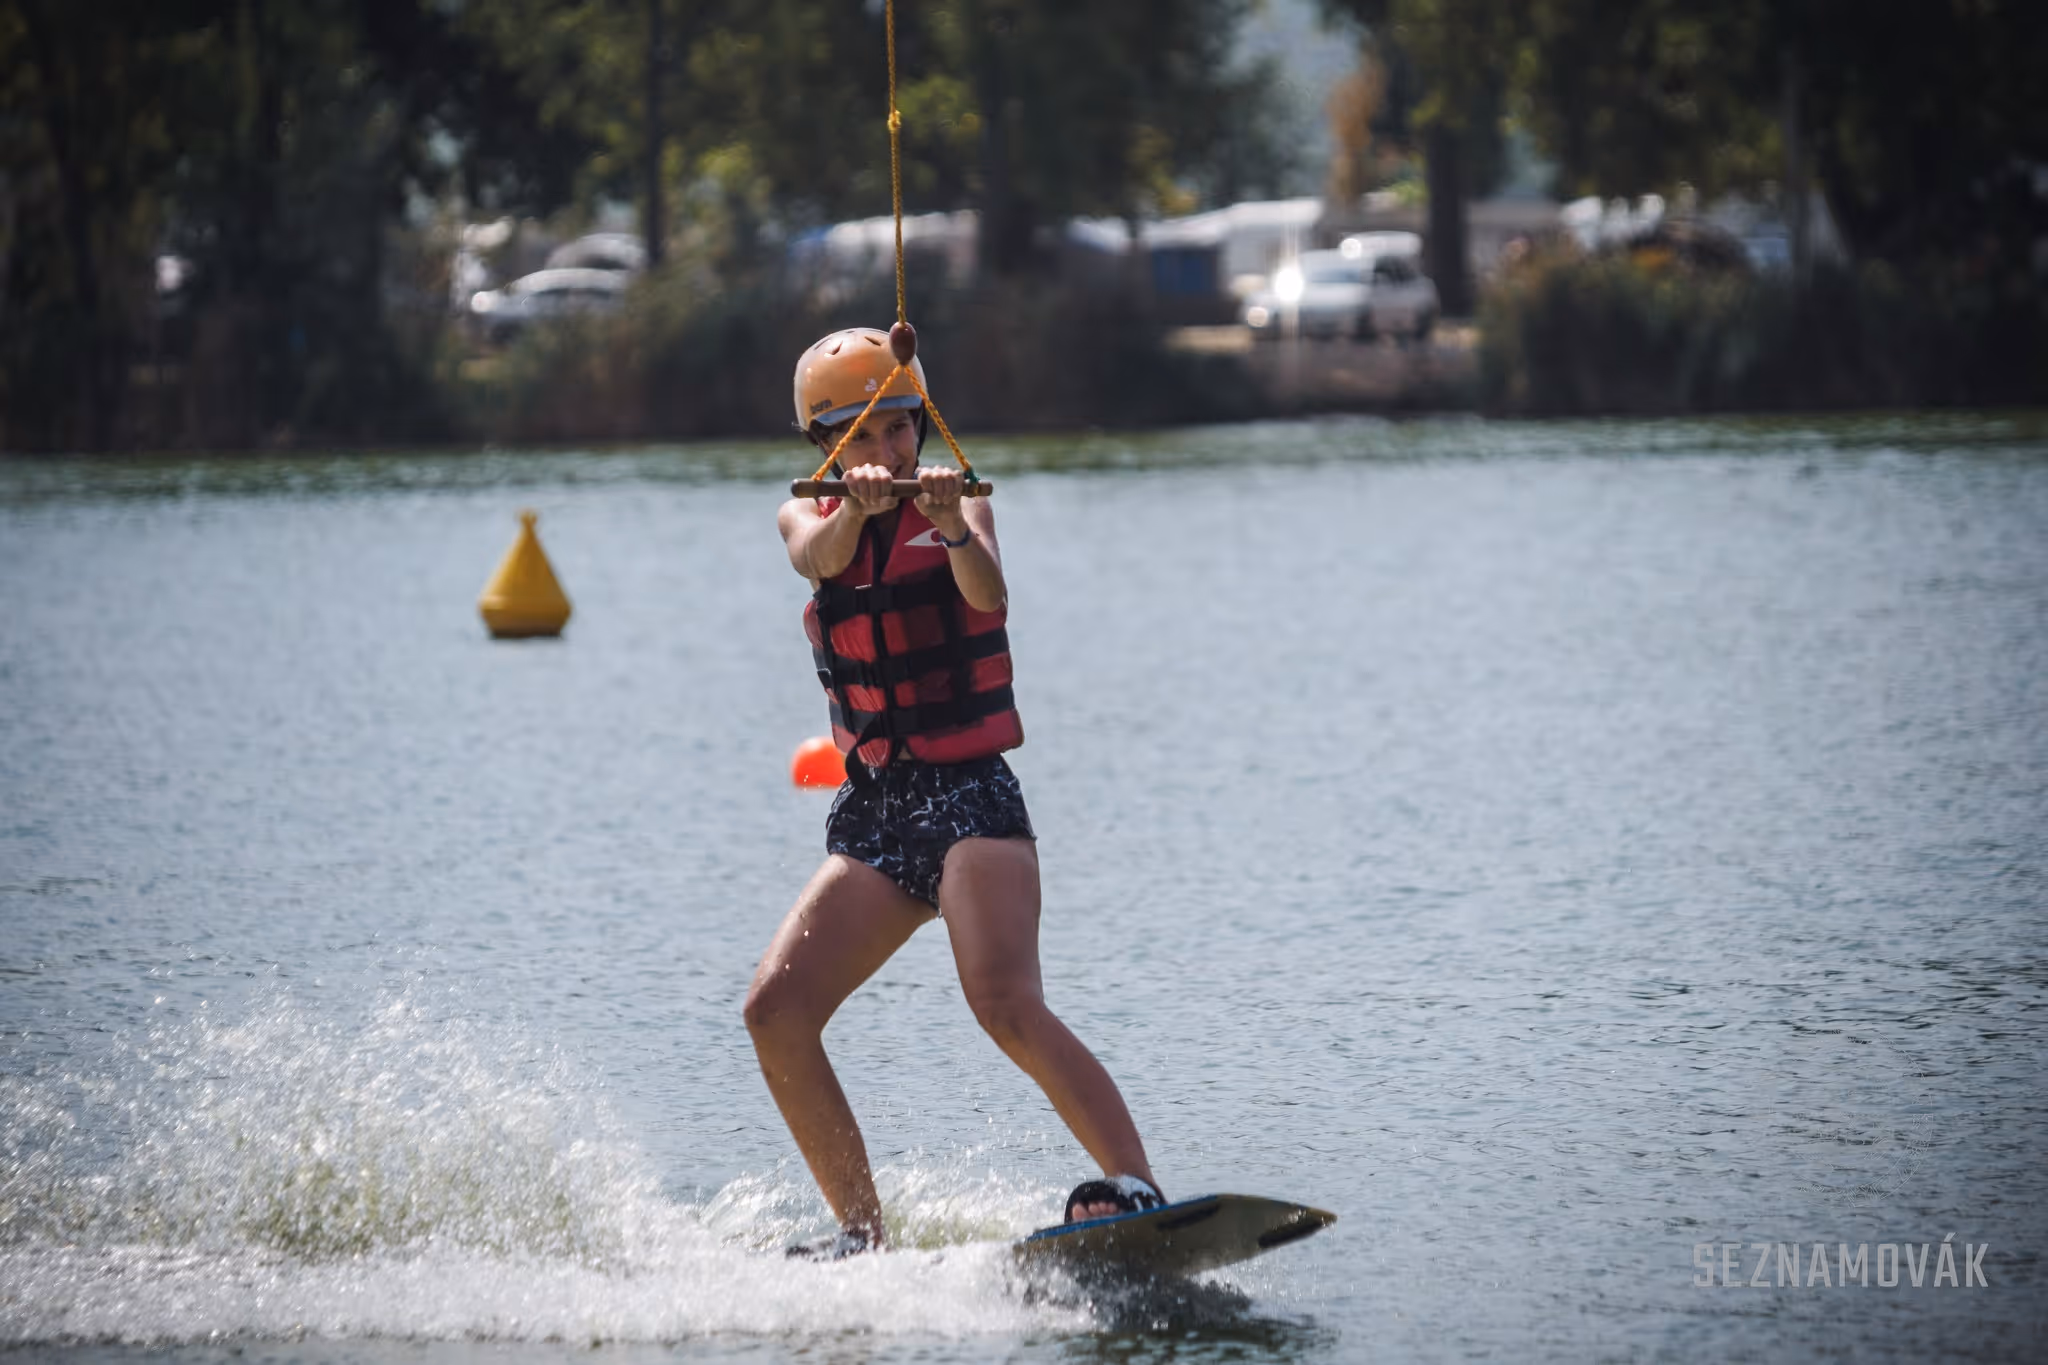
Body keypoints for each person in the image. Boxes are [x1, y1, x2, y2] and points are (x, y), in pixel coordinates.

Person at [746, 326, 1163, 1257]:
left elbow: (986, 595)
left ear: (922, 426)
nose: (887, 450)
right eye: (862, 435)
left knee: (1004, 1001)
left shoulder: (962, 502)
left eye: (899, 427)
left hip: (971, 798)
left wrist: (945, 526)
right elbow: (816, 559)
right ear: (826, 446)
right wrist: (856, 513)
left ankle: (1136, 1186)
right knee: (774, 1010)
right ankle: (861, 1235)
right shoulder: (802, 515)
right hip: (878, 814)